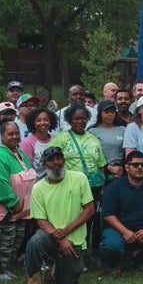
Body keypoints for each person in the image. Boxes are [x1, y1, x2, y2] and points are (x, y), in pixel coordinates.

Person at [18, 147, 95, 284]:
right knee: (34, 242)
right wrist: (61, 238)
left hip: (74, 238)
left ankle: (56, 270)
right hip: (51, 235)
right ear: (44, 164)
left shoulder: (79, 178)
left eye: (58, 159)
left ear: (64, 160)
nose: (56, 163)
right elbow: (41, 220)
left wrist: (66, 231)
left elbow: (90, 209)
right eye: (51, 160)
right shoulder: (38, 188)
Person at [52, 104, 115, 258]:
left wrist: (101, 187)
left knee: (91, 219)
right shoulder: (61, 138)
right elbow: (53, 163)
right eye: (76, 118)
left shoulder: (93, 139)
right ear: (69, 120)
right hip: (70, 187)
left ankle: (91, 251)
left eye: (83, 118)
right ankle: (72, 250)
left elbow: (101, 164)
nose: (79, 121)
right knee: (73, 219)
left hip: (92, 187)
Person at [0, 122, 36, 280]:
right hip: (3, 209)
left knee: (15, 241)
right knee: (4, 242)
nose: (15, 136)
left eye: (17, 133)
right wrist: (14, 203)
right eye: (10, 134)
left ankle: (4, 267)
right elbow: (1, 185)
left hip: (20, 209)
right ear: (2, 136)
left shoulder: (19, 152)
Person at [89, 101, 127, 168]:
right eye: (106, 112)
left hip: (120, 168)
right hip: (101, 168)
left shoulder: (123, 129)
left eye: (112, 112)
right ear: (100, 113)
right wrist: (108, 167)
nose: (110, 114)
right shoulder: (92, 131)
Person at [20, 109, 58, 177]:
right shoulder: (27, 143)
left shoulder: (56, 140)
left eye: (46, 120)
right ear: (33, 123)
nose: (42, 123)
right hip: (37, 181)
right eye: (38, 120)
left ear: (50, 122)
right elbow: (27, 168)